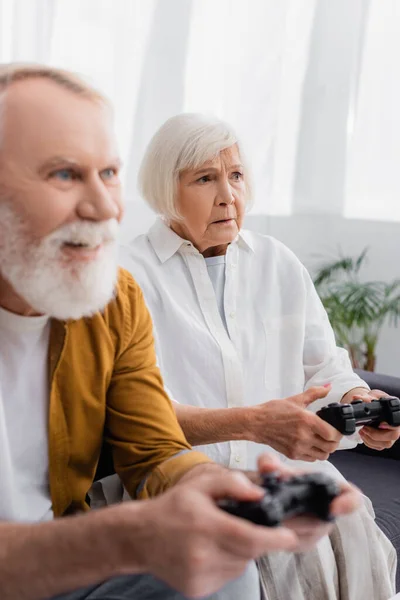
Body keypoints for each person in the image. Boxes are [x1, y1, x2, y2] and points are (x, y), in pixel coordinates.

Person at [0, 64, 362, 600]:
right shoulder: (138, 275)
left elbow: (151, 449)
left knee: (228, 567)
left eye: (109, 173)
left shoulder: (112, 301)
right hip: (50, 561)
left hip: (75, 566)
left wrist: (218, 493)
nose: (106, 208)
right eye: (64, 175)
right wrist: (129, 538)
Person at [121, 113, 399, 600]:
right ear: (166, 190)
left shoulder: (277, 262)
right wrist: (250, 422)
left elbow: (325, 367)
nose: (228, 194)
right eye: (205, 178)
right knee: (279, 542)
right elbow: (132, 417)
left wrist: (356, 397)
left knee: (348, 514)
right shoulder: (129, 277)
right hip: (182, 476)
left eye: (236, 175)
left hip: (279, 466)